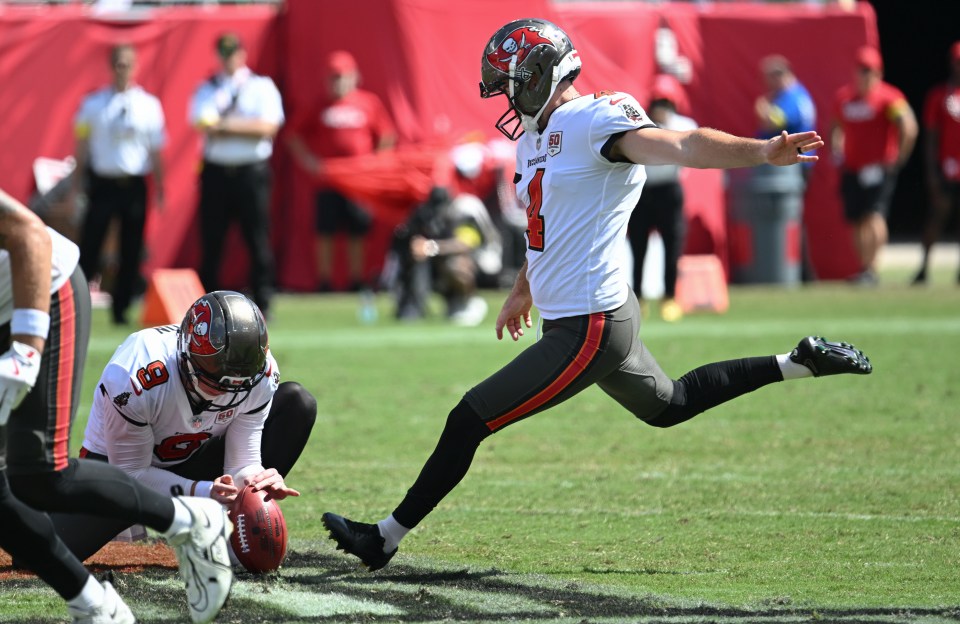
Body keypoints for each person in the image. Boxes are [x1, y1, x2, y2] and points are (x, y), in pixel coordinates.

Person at [320, 18, 873, 572]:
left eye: (511, 83)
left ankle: (383, 539)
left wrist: (760, 151)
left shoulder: (594, 119)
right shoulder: (534, 140)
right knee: (670, 405)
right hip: (590, 316)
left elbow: (680, 143)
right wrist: (522, 289)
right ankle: (797, 362)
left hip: (589, 324)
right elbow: (548, 227)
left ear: (538, 76)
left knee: (468, 420)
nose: (507, 98)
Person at [0, 187, 233, 624]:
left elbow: (30, 233)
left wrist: (27, 350)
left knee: (40, 472)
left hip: (40, 293)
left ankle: (189, 519)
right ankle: (95, 609)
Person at [49, 290, 317, 564]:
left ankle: (231, 532)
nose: (226, 393)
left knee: (297, 404)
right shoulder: (137, 374)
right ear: (185, 355)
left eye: (239, 383)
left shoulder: (260, 375)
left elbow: (240, 464)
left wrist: (256, 481)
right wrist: (203, 492)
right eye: (214, 382)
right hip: (117, 473)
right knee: (44, 552)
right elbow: (132, 473)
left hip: (191, 454)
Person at [70, 43, 166, 325]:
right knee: (90, 244)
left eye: (127, 64)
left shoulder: (149, 105)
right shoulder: (94, 104)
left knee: (131, 246)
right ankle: (76, 304)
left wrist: (161, 187)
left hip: (134, 183)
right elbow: (82, 147)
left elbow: (156, 150)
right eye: (118, 64)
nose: (122, 69)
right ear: (111, 67)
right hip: (103, 182)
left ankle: (121, 308)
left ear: (136, 67)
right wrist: (76, 186)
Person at [189, 33, 284, 317]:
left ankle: (263, 301)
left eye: (233, 53)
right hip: (217, 172)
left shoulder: (261, 86)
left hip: (251, 172)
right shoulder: (208, 88)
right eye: (224, 53)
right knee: (212, 240)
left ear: (243, 54)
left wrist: (225, 126)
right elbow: (201, 122)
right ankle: (208, 306)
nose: (229, 59)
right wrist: (245, 125)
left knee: (257, 239)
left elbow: (267, 127)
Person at [286, 50, 396, 292]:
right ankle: (324, 281)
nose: (338, 83)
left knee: (358, 230)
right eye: (334, 78)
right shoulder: (319, 104)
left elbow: (386, 135)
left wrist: (375, 164)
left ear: (354, 77)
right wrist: (309, 161)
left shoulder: (368, 103)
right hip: (329, 179)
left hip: (359, 181)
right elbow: (293, 135)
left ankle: (357, 280)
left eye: (343, 77)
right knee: (325, 231)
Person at [830, 45, 918, 285]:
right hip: (852, 167)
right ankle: (864, 268)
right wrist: (836, 151)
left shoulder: (890, 97)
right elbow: (835, 127)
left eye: (869, 71)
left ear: (878, 73)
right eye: (861, 70)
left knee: (874, 215)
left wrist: (899, 157)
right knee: (856, 219)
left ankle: (874, 267)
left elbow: (908, 126)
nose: (864, 75)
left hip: (878, 168)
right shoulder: (844, 97)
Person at [626, 75, 696, 322]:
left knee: (672, 245)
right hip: (643, 192)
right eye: (658, 102)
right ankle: (638, 297)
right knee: (638, 246)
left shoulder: (684, 124)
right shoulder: (638, 125)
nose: (661, 108)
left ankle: (669, 297)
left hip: (669, 191)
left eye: (666, 102)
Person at [391, 184, 499, 326]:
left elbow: (465, 244)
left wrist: (430, 247)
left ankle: (470, 301)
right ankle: (440, 303)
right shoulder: (427, 213)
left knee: (456, 265)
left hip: (484, 260)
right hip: (445, 259)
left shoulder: (464, 209)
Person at [755, 54, 818, 282]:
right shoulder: (792, 95)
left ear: (780, 75)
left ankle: (799, 273)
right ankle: (800, 272)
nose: (766, 83)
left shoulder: (792, 96)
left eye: (768, 78)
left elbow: (773, 122)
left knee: (789, 219)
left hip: (792, 164)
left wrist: (762, 107)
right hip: (790, 163)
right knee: (790, 219)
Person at [913, 41, 960, 285]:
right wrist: (932, 173)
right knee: (937, 217)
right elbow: (931, 136)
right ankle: (923, 267)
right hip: (947, 167)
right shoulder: (939, 95)